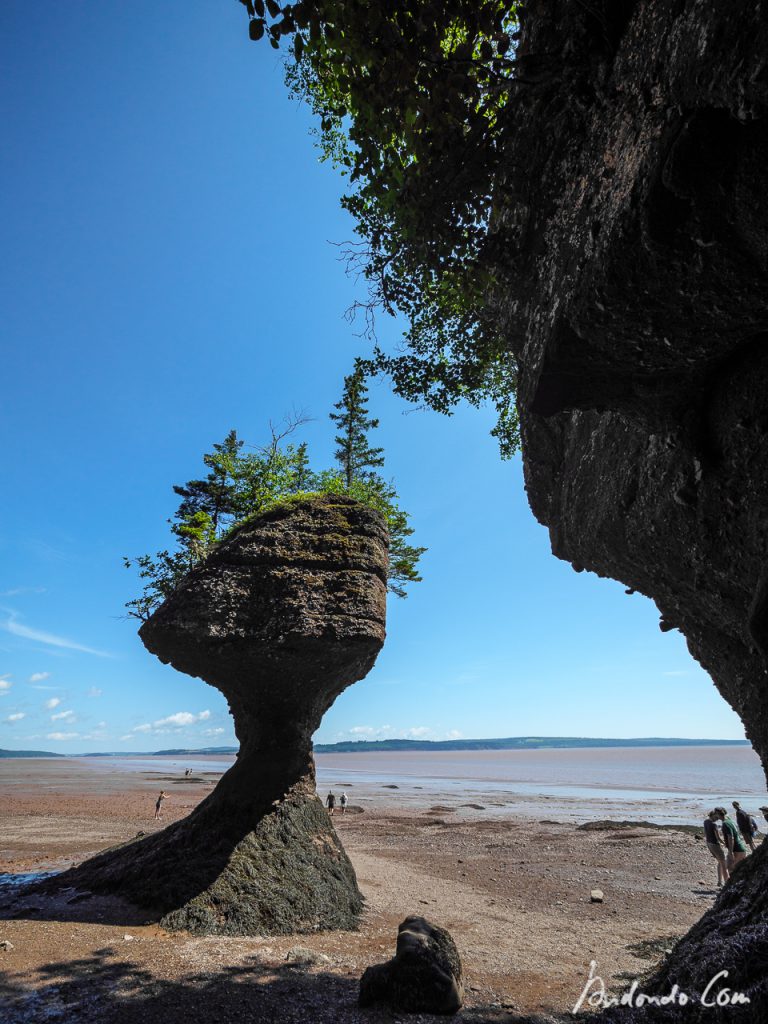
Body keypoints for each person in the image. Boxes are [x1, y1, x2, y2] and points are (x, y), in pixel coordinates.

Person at [704, 810, 729, 887]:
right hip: (715, 844)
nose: (717, 818)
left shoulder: (706, 821)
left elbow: (706, 833)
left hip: (709, 843)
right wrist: (725, 843)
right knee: (723, 863)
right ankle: (725, 882)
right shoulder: (714, 824)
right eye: (716, 817)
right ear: (712, 815)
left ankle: (719, 882)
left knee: (720, 862)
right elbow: (718, 837)